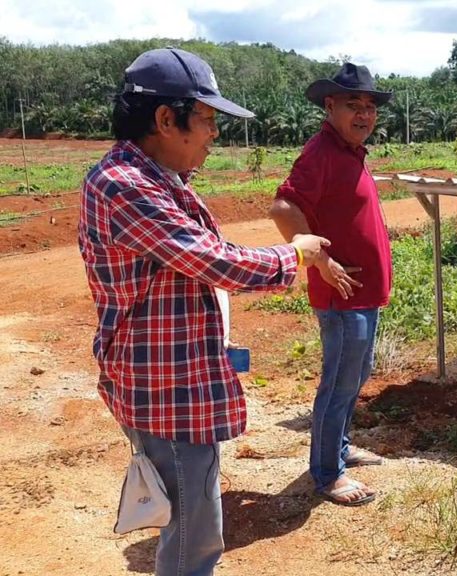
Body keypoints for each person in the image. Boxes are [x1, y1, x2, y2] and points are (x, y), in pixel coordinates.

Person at [78, 47, 330, 575]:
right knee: (195, 529)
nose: (214, 135)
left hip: (181, 378)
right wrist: (295, 253)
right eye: (208, 121)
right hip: (164, 384)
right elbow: (215, 261)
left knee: (194, 511)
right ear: (166, 119)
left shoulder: (158, 181)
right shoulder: (125, 186)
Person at [269, 62, 394, 506]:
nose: (363, 114)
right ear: (330, 106)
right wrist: (320, 261)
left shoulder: (349, 152)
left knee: (353, 378)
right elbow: (284, 208)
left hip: (362, 296)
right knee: (338, 383)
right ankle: (327, 473)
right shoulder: (322, 152)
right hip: (342, 297)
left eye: (369, 107)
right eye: (352, 105)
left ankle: (337, 450)